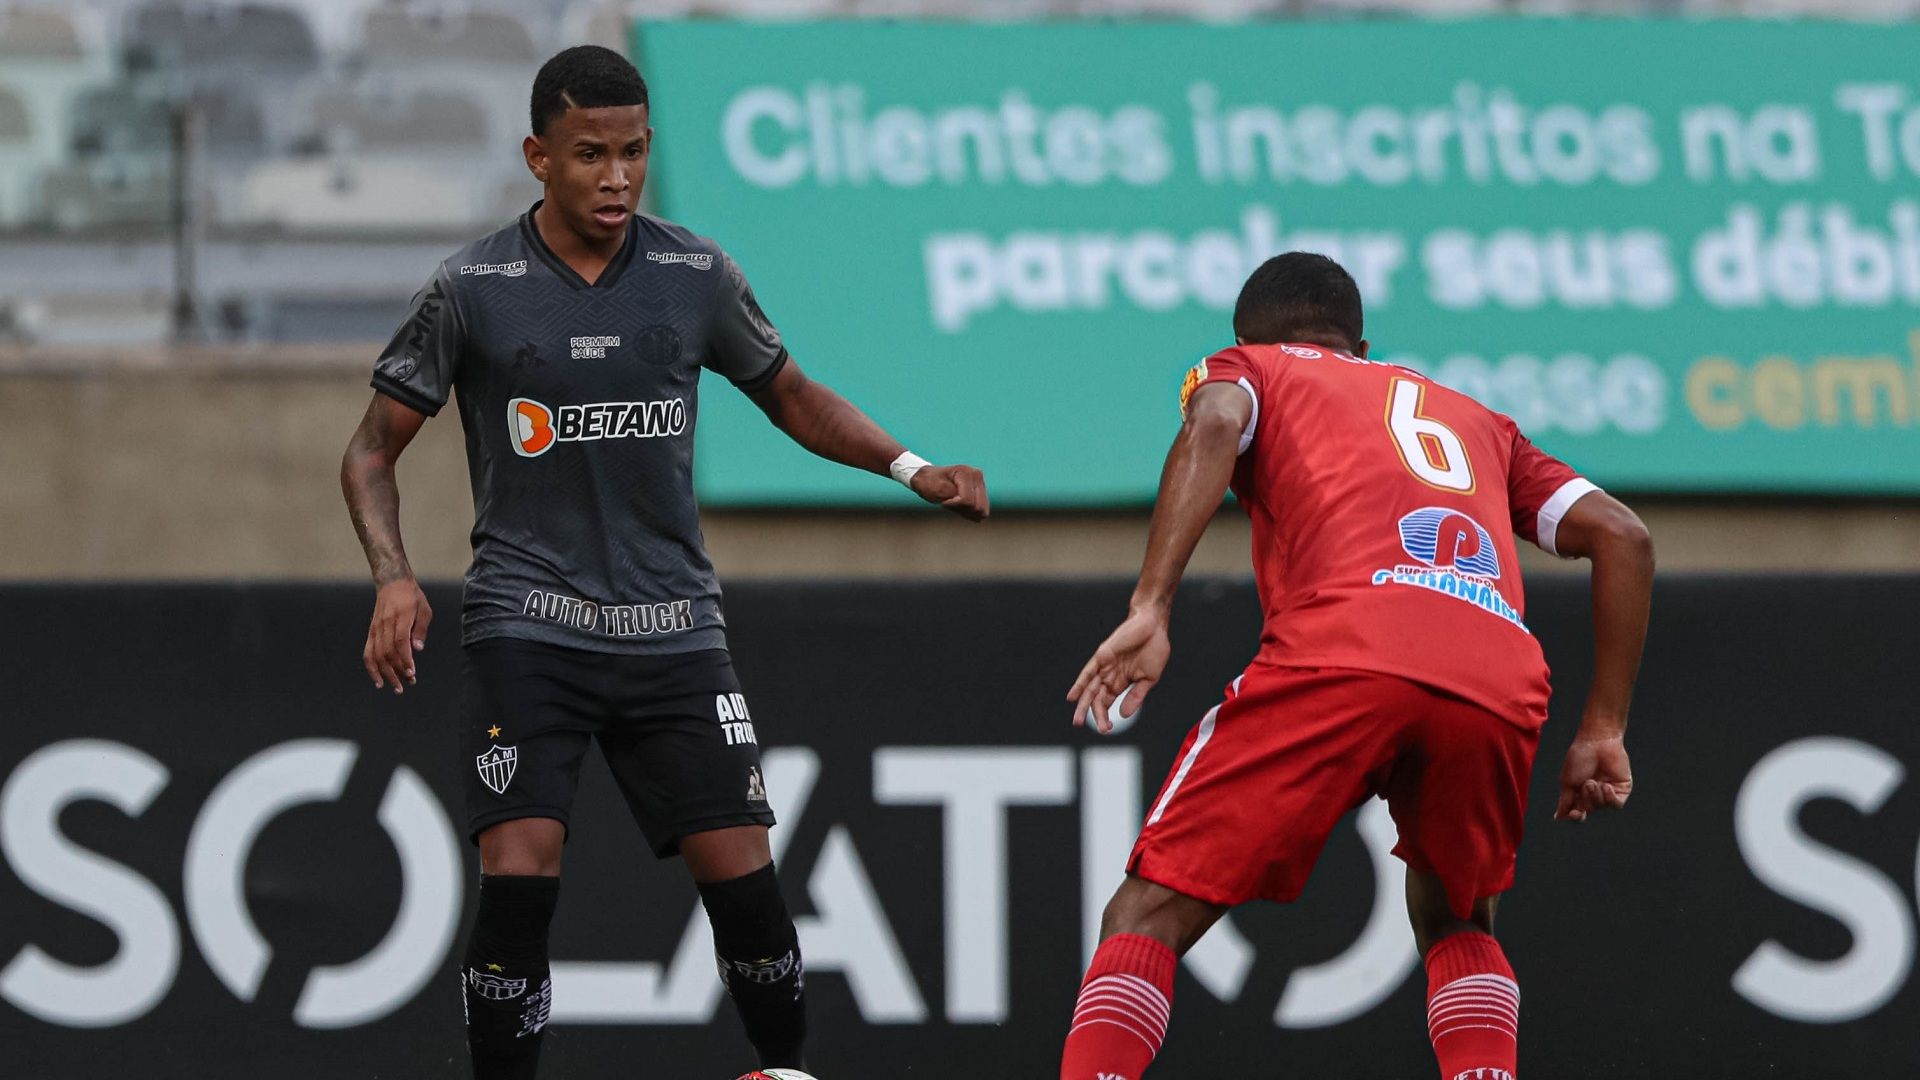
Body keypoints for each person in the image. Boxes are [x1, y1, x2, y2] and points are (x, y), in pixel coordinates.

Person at [339, 45, 988, 1080]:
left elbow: (793, 395)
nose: (617, 178)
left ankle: (784, 1072)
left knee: (748, 892)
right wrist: (393, 574)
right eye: (590, 154)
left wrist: (910, 466)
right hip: (527, 624)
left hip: (673, 628)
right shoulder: (474, 288)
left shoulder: (694, 275)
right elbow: (371, 451)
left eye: (634, 152)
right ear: (537, 157)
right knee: (520, 871)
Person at [1058, 252, 1652, 1080]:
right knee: (1459, 923)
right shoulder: (1479, 422)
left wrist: (1152, 605)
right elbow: (1624, 536)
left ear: (1244, 337)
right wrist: (1605, 726)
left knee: (1145, 913)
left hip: (1345, 651)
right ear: (1362, 346)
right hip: (1494, 674)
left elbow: (1216, 423)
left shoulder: (1247, 369)